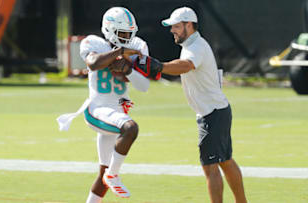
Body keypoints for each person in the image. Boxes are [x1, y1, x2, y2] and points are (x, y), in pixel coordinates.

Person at [57, 7, 150, 203]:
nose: (126, 38)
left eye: (129, 34)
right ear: (109, 30)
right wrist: (121, 53)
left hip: (115, 112)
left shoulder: (138, 46)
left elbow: (143, 86)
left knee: (102, 176)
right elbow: (92, 63)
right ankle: (114, 175)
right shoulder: (94, 43)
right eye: (122, 34)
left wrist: (129, 70)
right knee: (130, 128)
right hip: (97, 109)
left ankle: (107, 178)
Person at [158, 7, 248, 203]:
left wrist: (159, 66)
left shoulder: (195, 47)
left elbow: (185, 65)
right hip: (216, 111)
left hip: (212, 113)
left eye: (176, 26)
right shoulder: (191, 44)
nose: (172, 30)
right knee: (225, 160)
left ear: (189, 25)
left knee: (210, 166)